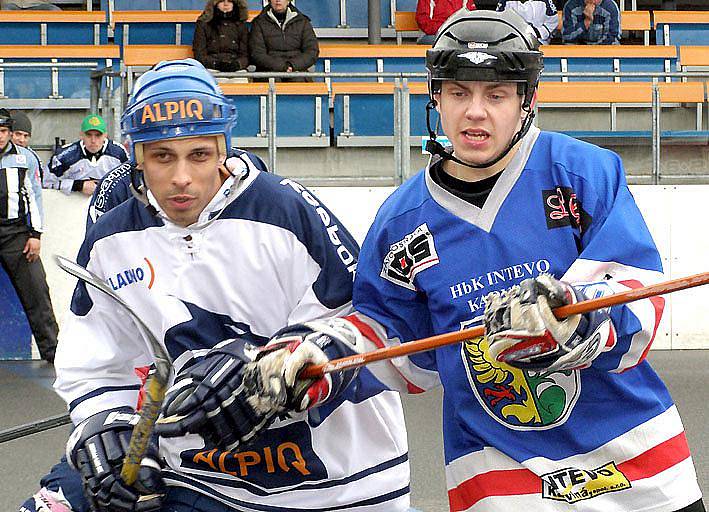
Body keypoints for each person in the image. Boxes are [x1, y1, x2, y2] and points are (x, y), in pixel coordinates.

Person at [199, 9, 706, 512]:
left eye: (496, 94)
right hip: (500, 478)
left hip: (639, 466)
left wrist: (576, 310)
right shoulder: (402, 222)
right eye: (459, 92)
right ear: (436, 98)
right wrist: (320, 359)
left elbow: (638, 300)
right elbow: (396, 344)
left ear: (527, 100)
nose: (475, 112)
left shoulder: (581, 173)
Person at [52, 58, 410, 512]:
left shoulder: (286, 209)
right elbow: (101, 364)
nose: (182, 177)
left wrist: (264, 370)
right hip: (205, 484)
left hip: (344, 483)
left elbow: (359, 326)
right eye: (162, 156)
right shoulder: (110, 240)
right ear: (135, 156)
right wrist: (107, 426)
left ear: (223, 149)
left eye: (199, 155)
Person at [0, 109, 58, 364]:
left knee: (37, 292)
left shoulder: (25, 159)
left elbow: (34, 197)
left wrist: (35, 234)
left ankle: (53, 352)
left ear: (10, 133)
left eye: (3, 131)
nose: (0, 137)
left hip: (16, 234)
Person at [44, 114, 128, 196]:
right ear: (81, 135)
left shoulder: (119, 153)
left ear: (105, 135)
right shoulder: (64, 156)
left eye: (98, 135)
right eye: (89, 135)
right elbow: (46, 183)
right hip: (74, 205)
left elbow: (130, 182)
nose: (93, 140)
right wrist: (78, 185)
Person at [249, 0, 319, 81]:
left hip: (297, 70)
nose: (277, 0)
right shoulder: (259, 23)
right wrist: (282, 67)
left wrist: (292, 66)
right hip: (268, 71)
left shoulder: (302, 21)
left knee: (298, 81)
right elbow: (257, 53)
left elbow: (312, 51)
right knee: (273, 81)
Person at [193, 0, 249, 73]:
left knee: (241, 81)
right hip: (210, 68)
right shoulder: (204, 24)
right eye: (222, 1)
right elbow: (199, 53)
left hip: (237, 69)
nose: (226, 4)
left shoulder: (241, 26)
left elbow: (246, 54)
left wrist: (237, 64)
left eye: (230, 1)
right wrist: (215, 64)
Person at [10, 110, 45, 222]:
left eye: (26, 136)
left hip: (20, 222)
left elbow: (36, 193)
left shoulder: (32, 158)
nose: (21, 140)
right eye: (18, 134)